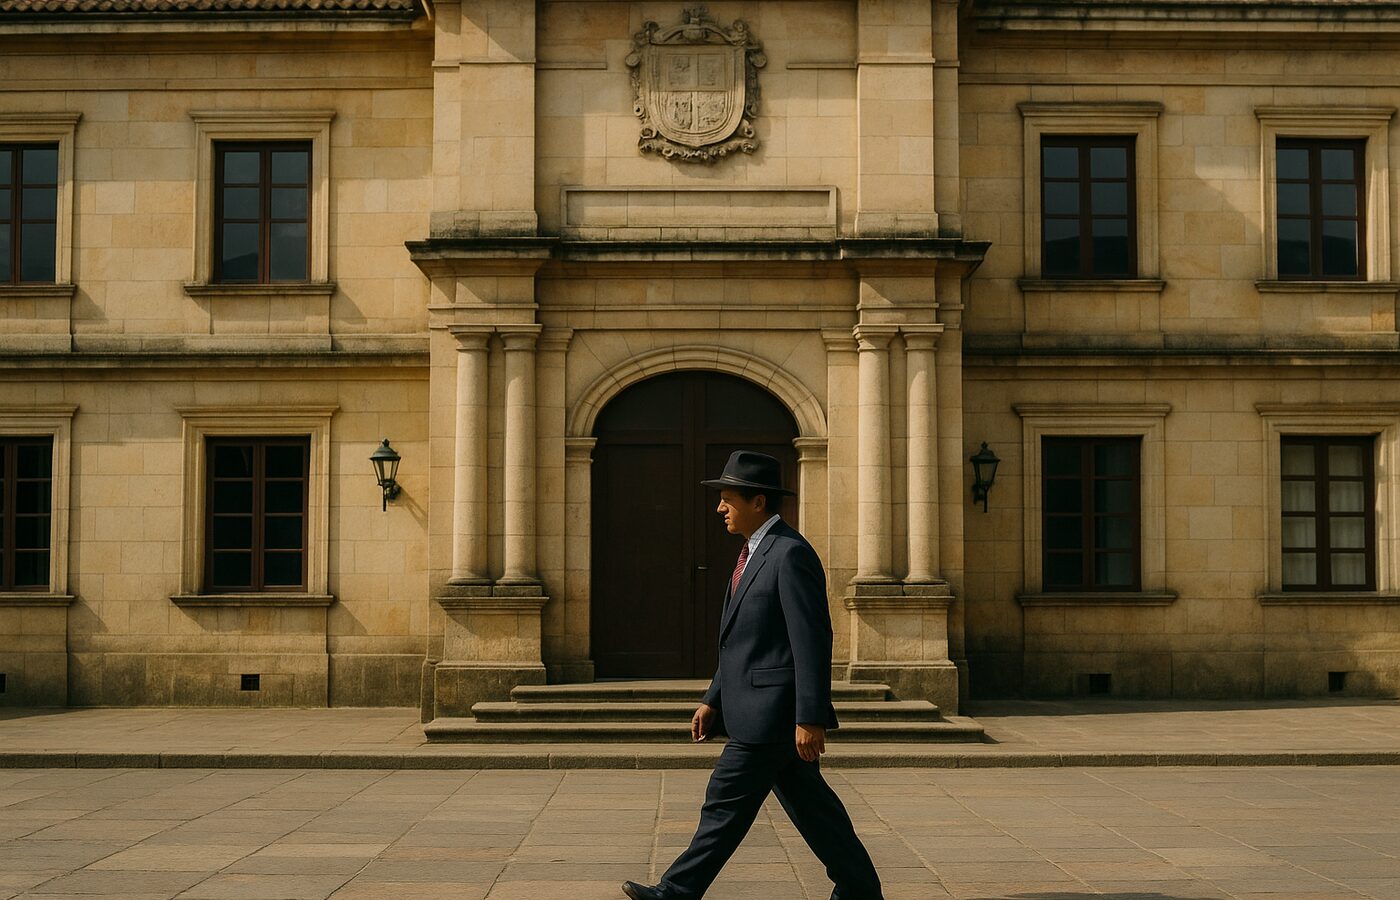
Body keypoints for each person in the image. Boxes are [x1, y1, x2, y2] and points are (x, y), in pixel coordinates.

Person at [622, 450, 884, 900]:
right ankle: (860, 890)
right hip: (756, 710)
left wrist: (811, 716)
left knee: (723, 804)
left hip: (772, 715)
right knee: (815, 810)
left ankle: (676, 892)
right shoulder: (752, 553)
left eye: (727, 499)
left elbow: (811, 640)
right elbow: (741, 642)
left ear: (757, 502)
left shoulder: (790, 554)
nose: (719, 507)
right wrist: (713, 697)